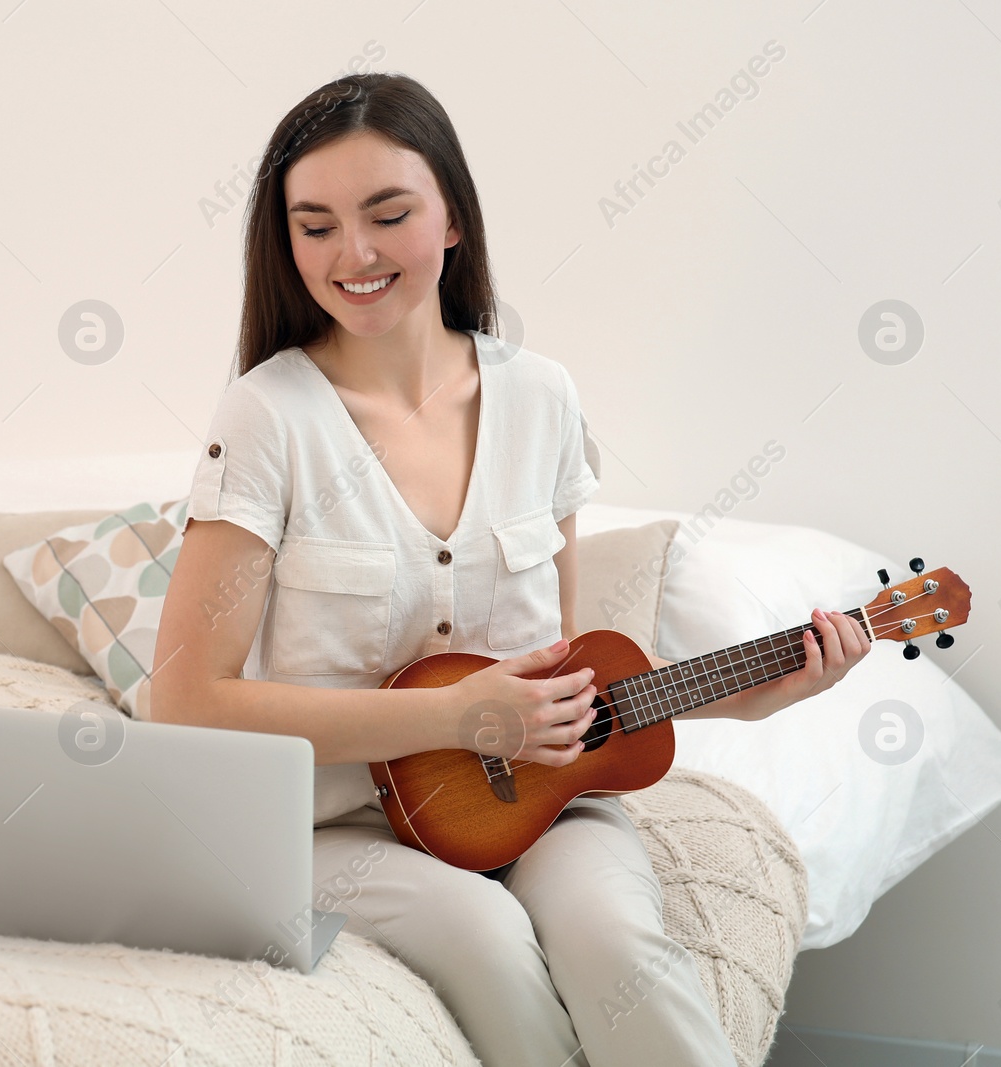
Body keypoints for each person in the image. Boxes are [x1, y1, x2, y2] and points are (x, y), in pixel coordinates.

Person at [150, 72, 869, 1067]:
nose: (351, 254)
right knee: (484, 937)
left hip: (537, 796)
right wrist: (452, 716)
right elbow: (184, 699)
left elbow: (556, 675)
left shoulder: (541, 399)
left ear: (451, 217)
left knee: (616, 940)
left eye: (386, 214)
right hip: (337, 824)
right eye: (313, 226)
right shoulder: (268, 418)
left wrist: (742, 699)